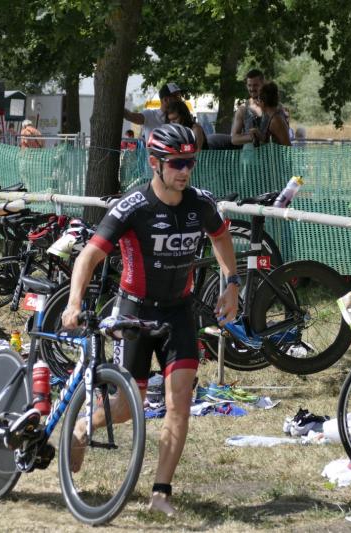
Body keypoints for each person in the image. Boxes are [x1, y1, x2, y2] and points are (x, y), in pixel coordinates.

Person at [59, 124, 240, 516]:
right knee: (127, 407)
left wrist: (232, 284)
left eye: (190, 163)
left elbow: (221, 238)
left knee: (180, 402)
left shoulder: (200, 204)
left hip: (178, 312)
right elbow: (89, 256)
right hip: (134, 312)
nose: (185, 171)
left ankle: (160, 494)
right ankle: (83, 425)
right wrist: (73, 303)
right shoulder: (133, 206)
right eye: (177, 163)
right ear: (154, 163)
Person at [231, 69, 266, 147]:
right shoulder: (242, 109)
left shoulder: (274, 107)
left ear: (263, 84)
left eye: (255, 85)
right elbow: (234, 139)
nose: (252, 89)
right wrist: (253, 137)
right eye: (249, 85)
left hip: (271, 154)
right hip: (249, 154)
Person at [258, 82, 291, 146]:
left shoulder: (276, 120)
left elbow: (288, 147)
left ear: (262, 102)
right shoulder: (273, 117)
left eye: (259, 100)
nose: (258, 104)